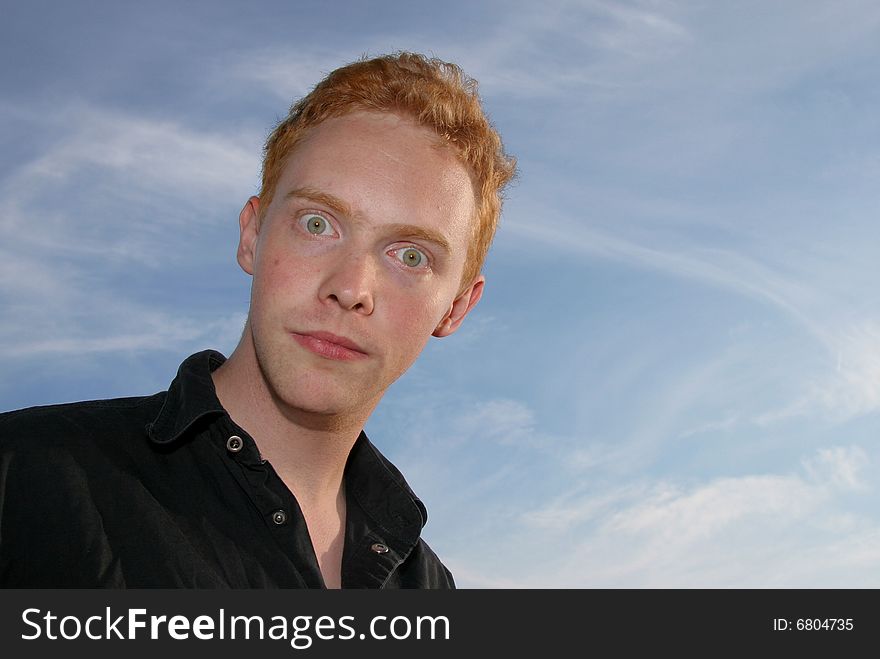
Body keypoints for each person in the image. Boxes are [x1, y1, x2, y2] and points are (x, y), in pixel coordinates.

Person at [0, 52, 516, 588]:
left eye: (410, 256)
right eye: (318, 223)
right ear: (251, 234)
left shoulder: (433, 590)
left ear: (456, 306)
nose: (351, 288)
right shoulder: (23, 482)